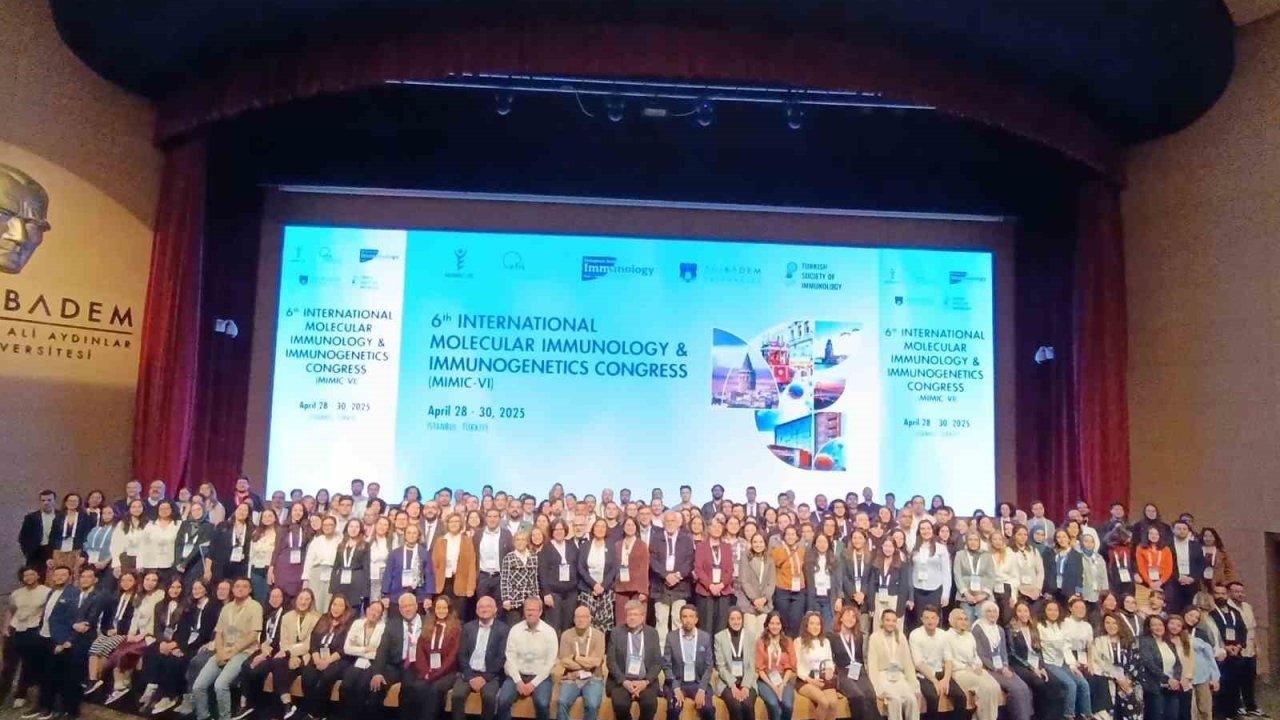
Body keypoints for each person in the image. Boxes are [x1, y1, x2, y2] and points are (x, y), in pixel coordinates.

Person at [192, 577, 263, 720]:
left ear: (250, 590)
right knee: (198, 686)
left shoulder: (255, 606)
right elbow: (219, 633)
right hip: (223, 650)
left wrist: (232, 652)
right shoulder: (227, 608)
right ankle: (203, 716)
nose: (240, 589)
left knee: (220, 685)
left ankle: (225, 717)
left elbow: (253, 636)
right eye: (237, 586)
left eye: (244, 586)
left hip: (243, 652)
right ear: (233, 589)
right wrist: (220, 652)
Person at [146, 578, 220, 715]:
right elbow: (183, 630)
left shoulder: (212, 606)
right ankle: (160, 692)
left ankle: (174, 697)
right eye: (194, 588)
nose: (196, 591)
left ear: (206, 589)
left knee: (176, 660)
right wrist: (173, 645)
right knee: (156, 653)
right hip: (186, 642)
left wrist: (181, 648)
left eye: (200, 588)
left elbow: (204, 634)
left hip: (200, 644)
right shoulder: (190, 606)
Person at [307, 600, 378, 720]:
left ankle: (321, 713)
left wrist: (327, 661)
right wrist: (316, 657)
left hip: (340, 658)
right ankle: (307, 710)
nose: (336, 608)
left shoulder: (350, 622)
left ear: (345, 608)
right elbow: (313, 640)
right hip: (318, 657)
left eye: (340, 605)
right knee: (308, 676)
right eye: (334, 604)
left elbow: (345, 649)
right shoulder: (323, 618)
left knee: (327, 675)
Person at [496, 598, 558, 720]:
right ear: (524, 611)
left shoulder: (549, 632)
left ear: (540, 612)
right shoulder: (515, 630)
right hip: (517, 675)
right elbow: (510, 658)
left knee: (542, 703)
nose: (530, 613)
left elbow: (550, 663)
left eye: (534, 610)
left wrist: (533, 684)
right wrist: (518, 681)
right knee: (503, 700)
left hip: (540, 676)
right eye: (528, 610)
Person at [449, 595, 508, 720]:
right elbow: (462, 654)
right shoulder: (468, 628)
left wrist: (484, 677)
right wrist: (470, 676)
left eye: (488, 606)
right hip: (468, 673)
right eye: (481, 607)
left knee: (489, 697)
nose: (484, 609)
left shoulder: (503, 629)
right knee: (457, 696)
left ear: (495, 609)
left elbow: (501, 657)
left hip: (490, 675)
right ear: (476, 610)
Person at [2, 566, 52, 707]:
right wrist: (5, 627)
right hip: (15, 629)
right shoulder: (17, 593)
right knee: (8, 664)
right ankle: (3, 693)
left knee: (27, 664)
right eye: (26, 575)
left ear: (38, 576)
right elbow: (11, 611)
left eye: (32, 574)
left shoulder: (46, 592)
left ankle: (21, 694)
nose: (29, 578)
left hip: (32, 630)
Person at [607, 600, 662, 720]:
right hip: (622, 682)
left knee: (649, 704)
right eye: (629, 615)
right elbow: (611, 662)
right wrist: (624, 682)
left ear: (642, 617)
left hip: (645, 682)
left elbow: (657, 663)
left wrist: (645, 682)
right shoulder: (616, 632)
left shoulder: (652, 633)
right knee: (620, 705)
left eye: (635, 614)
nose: (632, 618)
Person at [1038, 599, 1092, 720]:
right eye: (1050, 610)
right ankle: (1069, 715)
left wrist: (1072, 665)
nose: (1053, 612)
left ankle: (1087, 715)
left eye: (1055, 610)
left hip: (1063, 662)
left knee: (1083, 683)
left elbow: (1066, 647)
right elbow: (1055, 644)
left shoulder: (1061, 625)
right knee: (1071, 685)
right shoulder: (1040, 626)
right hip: (1049, 663)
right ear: (1044, 611)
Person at [945, 608, 1003, 720]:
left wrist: (978, 665)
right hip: (959, 671)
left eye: (965, 619)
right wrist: (966, 668)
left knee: (995, 686)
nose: (963, 622)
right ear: (952, 621)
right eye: (960, 619)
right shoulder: (947, 636)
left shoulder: (969, 636)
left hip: (973, 669)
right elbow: (948, 660)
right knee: (986, 687)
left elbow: (975, 655)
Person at [909, 606, 965, 720]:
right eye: (927, 618)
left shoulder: (943, 634)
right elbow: (918, 663)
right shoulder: (915, 635)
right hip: (923, 675)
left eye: (933, 618)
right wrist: (934, 681)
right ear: (922, 619)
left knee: (961, 697)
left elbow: (948, 659)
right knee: (932, 698)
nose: (930, 621)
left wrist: (946, 679)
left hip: (940, 672)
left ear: (938, 620)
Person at [868, 608, 923, 720]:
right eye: (888, 620)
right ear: (882, 622)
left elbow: (908, 664)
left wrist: (915, 687)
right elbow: (872, 666)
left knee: (912, 700)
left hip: (899, 676)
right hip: (883, 676)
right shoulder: (874, 637)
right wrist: (876, 689)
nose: (891, 623)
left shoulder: (901, 637)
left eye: (893, 621)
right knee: (895, 700)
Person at [662, 605, 715, 720]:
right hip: (677, 682)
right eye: (684, 616)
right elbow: (666, 666)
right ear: (680, 619)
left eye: (691, 616)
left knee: (708, 709)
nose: (688, 620)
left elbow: (709, 666)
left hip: (697, 683)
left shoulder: (705, 637)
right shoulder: (671, 637)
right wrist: (676, 688)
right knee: (673, 709)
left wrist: (702, 689)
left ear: (696, 619)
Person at [1090, 612, 1144, 720]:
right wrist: (1116, 678)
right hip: (1107, 682)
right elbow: (1098, 663)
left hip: (1128, 683)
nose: (1111, 626)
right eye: (1108, 623)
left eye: (1114, 623)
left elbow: (1136, 662)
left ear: (1120, 624)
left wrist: (1127, 679)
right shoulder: (1098, 641)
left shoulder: (1130, 642)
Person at [556, 604, 606, 720]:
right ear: (574, 619)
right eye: (578, 617)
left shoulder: (599, 635)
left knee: (592, 705)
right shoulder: (566, 635)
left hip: (593, 677)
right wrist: (587, 663)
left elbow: (597, 662)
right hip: (571, 677)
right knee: (561, 702)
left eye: (584, 617)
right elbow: (564, 661)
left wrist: (575, 657)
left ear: (589, 619)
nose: (580, 620)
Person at [650, 511, 695, 639]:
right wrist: (665, 575)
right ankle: (661, 649)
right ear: (663, 523)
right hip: (660, 586)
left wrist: (677, 576)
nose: (670, 524)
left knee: (678, 619)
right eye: (667, 521)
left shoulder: (686, 539)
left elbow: (690, 560)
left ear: (678, 523)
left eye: (672, 521)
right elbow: (652, 560)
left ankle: (677, 649)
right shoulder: (656, 538)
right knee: (661, 620)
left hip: (680, 585)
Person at [793, 611, 840, 720]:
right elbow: (797, 666)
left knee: (833, 703)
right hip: (805, 680)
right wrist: (810, 680)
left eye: (818, 624)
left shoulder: (826, 641)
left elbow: (829, 661)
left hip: (823, 678)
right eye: (812, 624)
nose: (815, 627)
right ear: (806, 626)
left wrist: (830, 670)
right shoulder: (799, 642)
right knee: (824, 702)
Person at [694, 516, 735, 636]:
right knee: (706, 627)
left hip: (723, 592)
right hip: (706, 592)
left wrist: (721, 585)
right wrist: (711, 586)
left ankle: (719, 649)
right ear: (708, 528)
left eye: (719, 526)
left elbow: (730, 570)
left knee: (721, 627)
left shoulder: (727, 547)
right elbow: (698, 569)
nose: (717, 529)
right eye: (714, 526)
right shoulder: (701, 546)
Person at [714, 607, 759, 720]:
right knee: (736, 706)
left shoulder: (750, 636)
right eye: (732, 619)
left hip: (747, 680)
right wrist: (733, 686)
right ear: (728, 620)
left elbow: (751, 665)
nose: (736, 622)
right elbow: (721, 667)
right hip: (727, 682)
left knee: (748, 704)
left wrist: (746, 686)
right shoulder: (719, 637)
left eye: (739, 618)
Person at [1138, 615, 1184, 720]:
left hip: (1172, 687)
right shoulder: (1145, 641)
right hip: (1154, 686)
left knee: (1172, 716)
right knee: (1156, 716)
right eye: (1154, 625)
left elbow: (1177, 664)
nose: (1158, 627)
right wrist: (1167, 679)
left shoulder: (1169, 642)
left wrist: (1176, 679)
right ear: (1149, 627)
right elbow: (1148, 662)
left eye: (1160, 625)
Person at [538, 520, 578, 634]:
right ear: (552, 531)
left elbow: (577, 565)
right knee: (554, 626)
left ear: (565, 530)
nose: (559, 532)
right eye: (556, 529)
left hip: (571, 593)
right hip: (553, 593)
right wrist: (546, 593)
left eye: (561, 529)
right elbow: (542, 571)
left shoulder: (571, 545)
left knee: (568, 626)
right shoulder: (546, 548)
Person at [755, 611, 795, 720]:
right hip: (765, 680)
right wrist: (773, 687)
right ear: (767, 625)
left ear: (781, 625)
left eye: (778, 623)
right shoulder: (760, 642)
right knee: (773, 704)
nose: (775, 626)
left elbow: (790, 667)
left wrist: (782, 685)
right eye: (772, 623)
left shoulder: (788, 641)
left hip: (783, 679)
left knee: (788, 705)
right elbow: (759, 668)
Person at [952, 532, 996, 626]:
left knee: (984, 625)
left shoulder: (987, 555)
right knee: (967, 625)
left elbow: (991, 576)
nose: (973, 542)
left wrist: (984, 594)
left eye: (976, 540)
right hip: (965, 598)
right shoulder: (960, 555)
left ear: (979, 542)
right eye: (970, 539)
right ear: (966, 542)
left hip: (983, 597)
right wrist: (966, 594)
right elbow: (957, 575)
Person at [613, 517, 650, 626]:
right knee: (621, 620)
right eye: (627, 525)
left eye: (632, 525)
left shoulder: (642, 545)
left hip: (637, 589)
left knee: (637, 619)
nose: (630, 527)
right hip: (620, 588)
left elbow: (645, 568)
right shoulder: (617, 545)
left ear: (636, 528)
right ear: (623, 527)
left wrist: (644, 591)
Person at [737, 533, 775, 636]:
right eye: (755, 542)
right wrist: (755, 599)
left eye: (761, 542)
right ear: (751, 543)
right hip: (748, 604)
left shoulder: (769, 559)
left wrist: (764, 598)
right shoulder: (745, 558)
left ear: (765, 543)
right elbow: (744, 581)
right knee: (750, 635)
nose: (758, 544)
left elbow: (771, 582)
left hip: (764, 604)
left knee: (762, 636)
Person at [329, 519, 370, 610]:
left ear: (360, 529)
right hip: (341, 581)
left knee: (354, 610)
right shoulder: (341, 545)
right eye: (351, 526)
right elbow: (335, 567)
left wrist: (365, 592)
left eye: (356, 527)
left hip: (357, 581)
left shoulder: (365, 545)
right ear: (346, 528)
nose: (353, 529)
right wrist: (332, 588)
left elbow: (366, 569)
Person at [1168, 520, 1204, 612]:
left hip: (1192, 583)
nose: (1182, 531)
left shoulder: (1196, 546)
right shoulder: (1167, 545)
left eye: (1184, 529)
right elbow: (1166, 565)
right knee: (1174, 610)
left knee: (1191, 610)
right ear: (1173, 530)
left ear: (1188, 531)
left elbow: (1201, 564)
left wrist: (1193, 578)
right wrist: (1177, 577)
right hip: (1173, 583)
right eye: (1179, 528)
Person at [18, 491, 58, 572]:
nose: (46, 503)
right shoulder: (31, 518)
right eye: (43, 500)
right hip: (37, 552)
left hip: (56, 551)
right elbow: (23, 537)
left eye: (49, 500)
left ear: (54, 501)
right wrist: (28, 552)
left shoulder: (62, 515)